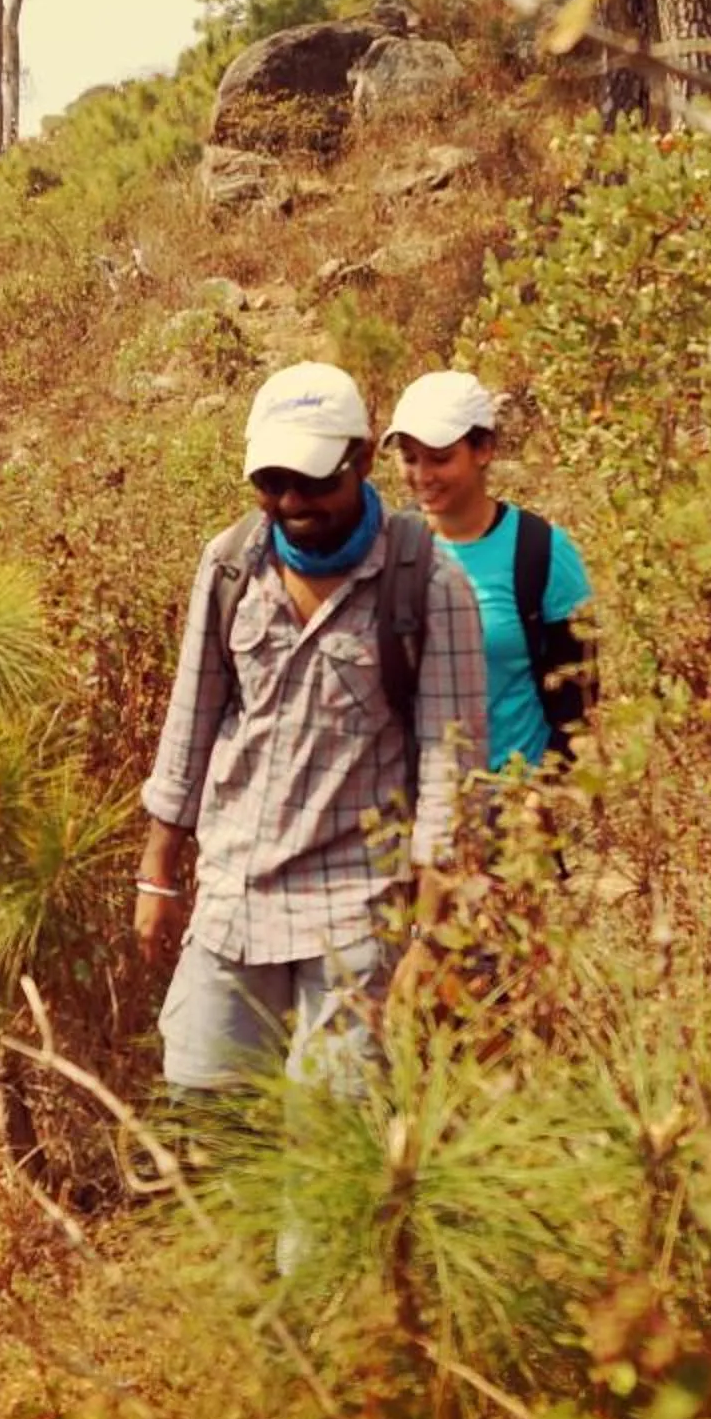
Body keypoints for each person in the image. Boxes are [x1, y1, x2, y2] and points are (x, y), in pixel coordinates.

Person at [134, 361, 489, 1101]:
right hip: (234, 896)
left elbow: (450, 773)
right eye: (272, 482)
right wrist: (158, 873)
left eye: (313, 481)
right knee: (206, 1108)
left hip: (356, 909)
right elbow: (191, 719)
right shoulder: (231, 564)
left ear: (361, 459)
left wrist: (429, 939)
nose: (292, 502)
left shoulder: (428, 582)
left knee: (330, 1134)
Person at [383, 370, 595, 777]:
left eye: (440, 458)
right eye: (409, 458)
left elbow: (580, 697)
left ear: (483, 450)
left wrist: (543, 793)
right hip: (415, 795)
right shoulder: (390, 547)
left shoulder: (540, 550)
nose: (422, 476)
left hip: (515, 796)